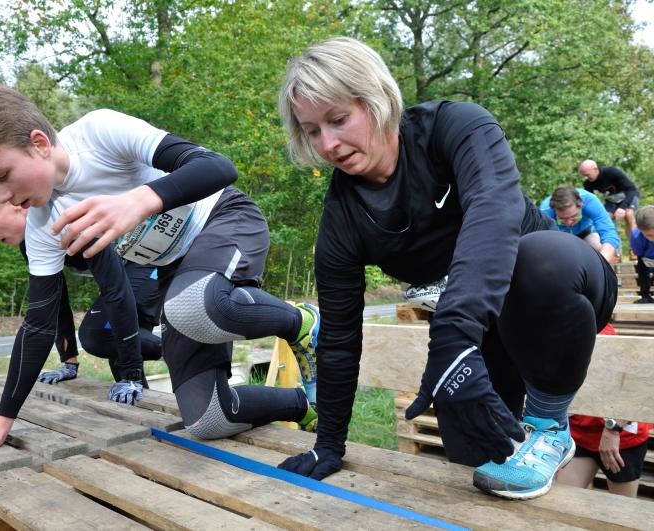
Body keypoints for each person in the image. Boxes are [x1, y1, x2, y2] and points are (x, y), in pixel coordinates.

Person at [275, 37, 617, 501]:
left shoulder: (455, 126)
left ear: (377, 100)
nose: (329, 144)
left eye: (338, 119)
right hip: (481, 334)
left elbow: (495, 213)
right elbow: (338, 335)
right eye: (313, 131)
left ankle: (550, 427)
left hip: (558, 296)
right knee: (475, 470)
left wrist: (452, 337)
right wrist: (329, 443)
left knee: (539, 258)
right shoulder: (343, 220)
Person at [0, 82, 319, 473]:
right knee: (208, 420)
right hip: (176, 270)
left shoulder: (100, 132)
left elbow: (218, 167)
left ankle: (300, 321)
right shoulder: (44, 224)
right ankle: (303, 405)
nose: (3, 195)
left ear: (40, 143)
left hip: (224, 218)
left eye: (3, 175)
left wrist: (139, 200)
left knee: (195, 303)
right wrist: (0, 424)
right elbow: (38, 326)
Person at [0, 175, 163, 384]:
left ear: (15, 203)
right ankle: (145, 415)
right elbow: (56, 302)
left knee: (98, 335)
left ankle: (188, 350)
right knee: (119, 359)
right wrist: (69, 362)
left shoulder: (62, 216)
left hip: (148, 261)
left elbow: (114, 290)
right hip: (126, 271)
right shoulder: (31, 243)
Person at [556, 323, 652, 498]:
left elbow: (633, 389)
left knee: (621, 511)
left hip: (622, 439)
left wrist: (613, 429)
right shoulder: (559, 328)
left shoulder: (603, 334)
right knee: (563, 500)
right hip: (581, 435)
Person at [540, 186, 620, 264]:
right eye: (562, 218)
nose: (569, 223)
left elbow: (609, 232)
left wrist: (603, 262)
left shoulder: (590, 201)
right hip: (559, 237)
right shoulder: (545, 211)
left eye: (574, 216)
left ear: (581, 205)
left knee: (599, 248)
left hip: (585, 232)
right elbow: (543, 245)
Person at [579, 159, 639, 254]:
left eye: (587, 174)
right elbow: (590, 202)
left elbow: (631, 190)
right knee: (605, 218)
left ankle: (635, 247)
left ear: (595, 169)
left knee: (629, 214)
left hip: (628, 196)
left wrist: (623, 208)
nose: (586, 178)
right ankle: (614, 250)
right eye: (583, 175)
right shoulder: (588, 183)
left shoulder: (612, 172)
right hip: (611, 200)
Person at [628, 205, 654, 304]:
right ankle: (645, 295)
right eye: (649, 235)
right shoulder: (636, 236)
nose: (652, 239)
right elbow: (640, 257)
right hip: (646, 259)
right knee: (641, 268)